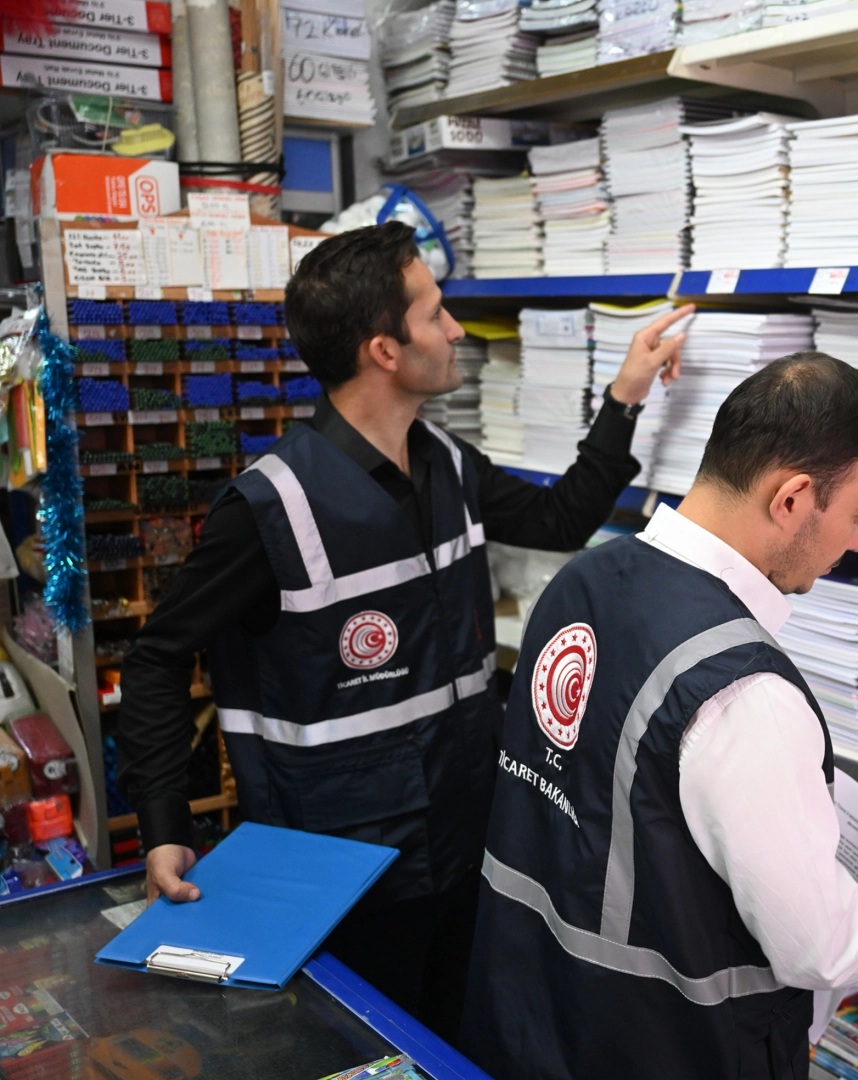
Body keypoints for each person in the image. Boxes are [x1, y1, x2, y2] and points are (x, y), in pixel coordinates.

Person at [115, 221, 693, 1039]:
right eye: (434, 313)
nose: (455, 330)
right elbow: (156, 659)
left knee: (459, 1038)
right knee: (356, 1049)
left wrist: (624, 398)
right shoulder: (270, 506)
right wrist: (164, 827)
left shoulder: (446, 463)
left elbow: (559, 519)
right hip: (338, 869)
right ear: (383, 351)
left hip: (466, 838)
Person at [460, 352, 858, 1080]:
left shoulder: (582, 579)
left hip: (529, 1021)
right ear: (791, 498)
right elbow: (822, 947)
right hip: (669, 1051)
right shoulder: (745, 692)